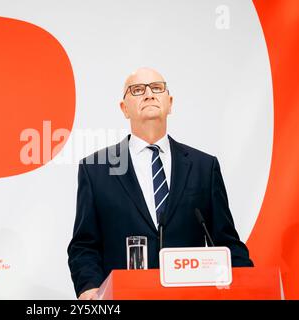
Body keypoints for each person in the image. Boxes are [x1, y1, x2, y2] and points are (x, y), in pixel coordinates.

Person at [67, 67, 254, 300]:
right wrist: (89, 289)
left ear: (170, 102)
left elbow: (226, 243)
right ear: (124, 109)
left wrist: (248, 286)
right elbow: (84, 245)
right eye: (137, 90)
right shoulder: (96, 169)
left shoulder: (204, 167)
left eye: (157, 88)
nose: (148, 94)